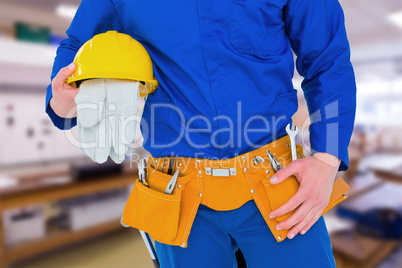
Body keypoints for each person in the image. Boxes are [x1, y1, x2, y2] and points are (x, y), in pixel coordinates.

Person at [46, 0, 356, 267]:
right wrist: (61, 100)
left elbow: (328, 61)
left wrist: (327, 161)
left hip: (277, 185)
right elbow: (75, 45)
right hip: (176, 194)